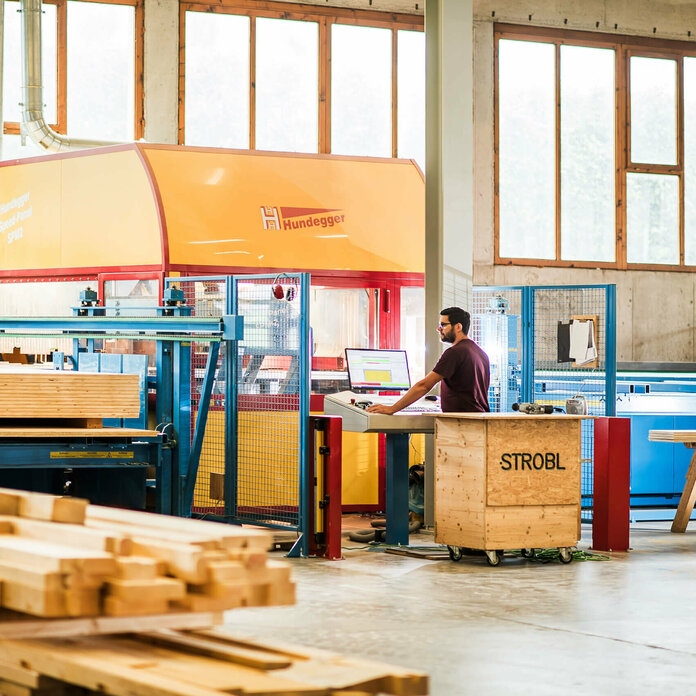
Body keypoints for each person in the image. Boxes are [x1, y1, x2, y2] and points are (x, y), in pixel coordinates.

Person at [366, 307, 490, 415]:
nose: (439, 329)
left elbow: (424, 386)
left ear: (458, 327)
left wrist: (392, 408)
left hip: (462, 424)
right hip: (478, 419)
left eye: (443, 325)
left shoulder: (455, 352)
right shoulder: (481, 353)